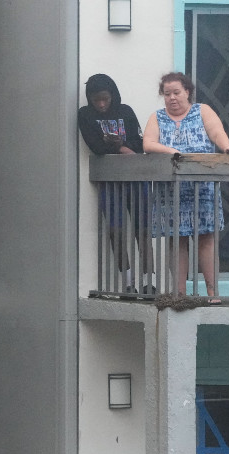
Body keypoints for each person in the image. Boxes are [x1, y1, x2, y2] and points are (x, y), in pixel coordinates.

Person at [142, 72, 229, 303]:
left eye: (176, 92)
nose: (172, 98)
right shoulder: (157, 117)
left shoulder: (202, 110)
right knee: (177, 240)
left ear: (187, 91)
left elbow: (217, 133)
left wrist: (227, 148)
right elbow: (148, 143)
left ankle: (213, 293)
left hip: (202, 186)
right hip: (171, 191)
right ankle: (179, 294)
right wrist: (173, 152)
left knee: (206, 238)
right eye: (167, 94)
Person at [77, 74, 155, 294]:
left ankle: (149, 282)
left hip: (136, 180)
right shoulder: (85, 115)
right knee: (116, 230)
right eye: (96, 100)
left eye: (105, 99)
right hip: (110, 183)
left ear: (112, 96)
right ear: (90, 98)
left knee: (144, 230)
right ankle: (128, 283)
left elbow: (140, 144)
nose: (101, 104)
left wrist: (123, 145)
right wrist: (122, 148)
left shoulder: (126, 112)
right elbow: (95, 147)